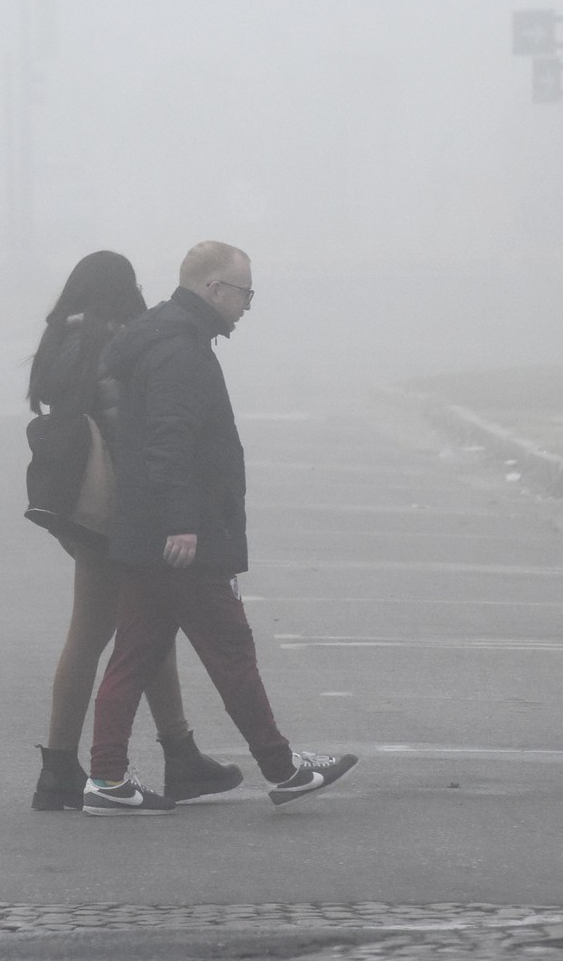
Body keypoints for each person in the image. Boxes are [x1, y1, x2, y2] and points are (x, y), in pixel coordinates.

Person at [82, 241, 358, 815]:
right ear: (213, 289)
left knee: (133, 653)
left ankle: (106, 779)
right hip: (182, 540)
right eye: (244, 292)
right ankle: (282, 768)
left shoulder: (165, 338)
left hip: (146, 533)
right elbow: (171, 440)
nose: (248, 305)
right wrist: (184, 525)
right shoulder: (179, 350)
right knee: (230, 649)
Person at [25, 250, 242, 810]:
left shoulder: (60, 341)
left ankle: (177, 753)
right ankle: (62, 771)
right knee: (98, 636)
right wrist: (168, 508)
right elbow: (132, 435)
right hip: (114, 512)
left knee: (146, 629)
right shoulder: (107, 345)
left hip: (79, 506)